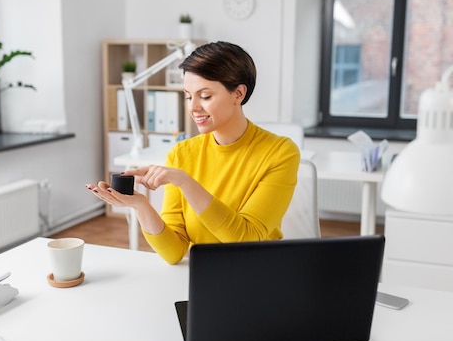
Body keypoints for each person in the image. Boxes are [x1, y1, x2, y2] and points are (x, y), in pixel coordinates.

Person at [86, 41, 300, 264]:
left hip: (258, 273)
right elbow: (173, 252)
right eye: (188, 96)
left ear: (238, 93)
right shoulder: (182, 153)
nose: (193, 107)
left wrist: (186, 182)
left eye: (205, 96)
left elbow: (246, 239)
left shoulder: (280, 153)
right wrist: (140, 205)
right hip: (202, 276)